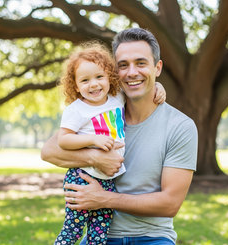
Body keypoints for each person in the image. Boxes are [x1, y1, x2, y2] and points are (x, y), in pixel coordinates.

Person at [42, 28, 198, 244]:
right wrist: (94, 157)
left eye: (141, 63)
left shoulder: (180, 126)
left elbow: (170, 204)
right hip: (102, 237)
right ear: (114, 71)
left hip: (152, 238)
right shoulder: (99, 108)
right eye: (123, 65)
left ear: (157, 67)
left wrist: (104, 198)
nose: (132, 72)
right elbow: (48, 150)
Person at [53, 42, 166, 245]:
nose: (94, 84)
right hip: (82, 177)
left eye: (99, 77)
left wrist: (158, 86)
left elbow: (141, 88)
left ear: (109, 77)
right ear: (75, 85)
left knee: (99, 234)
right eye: (85, 80)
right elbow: (64, 139)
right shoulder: (76, 110)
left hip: (108, 180)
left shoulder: (116, 98)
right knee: (74, 230)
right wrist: (92, 139)